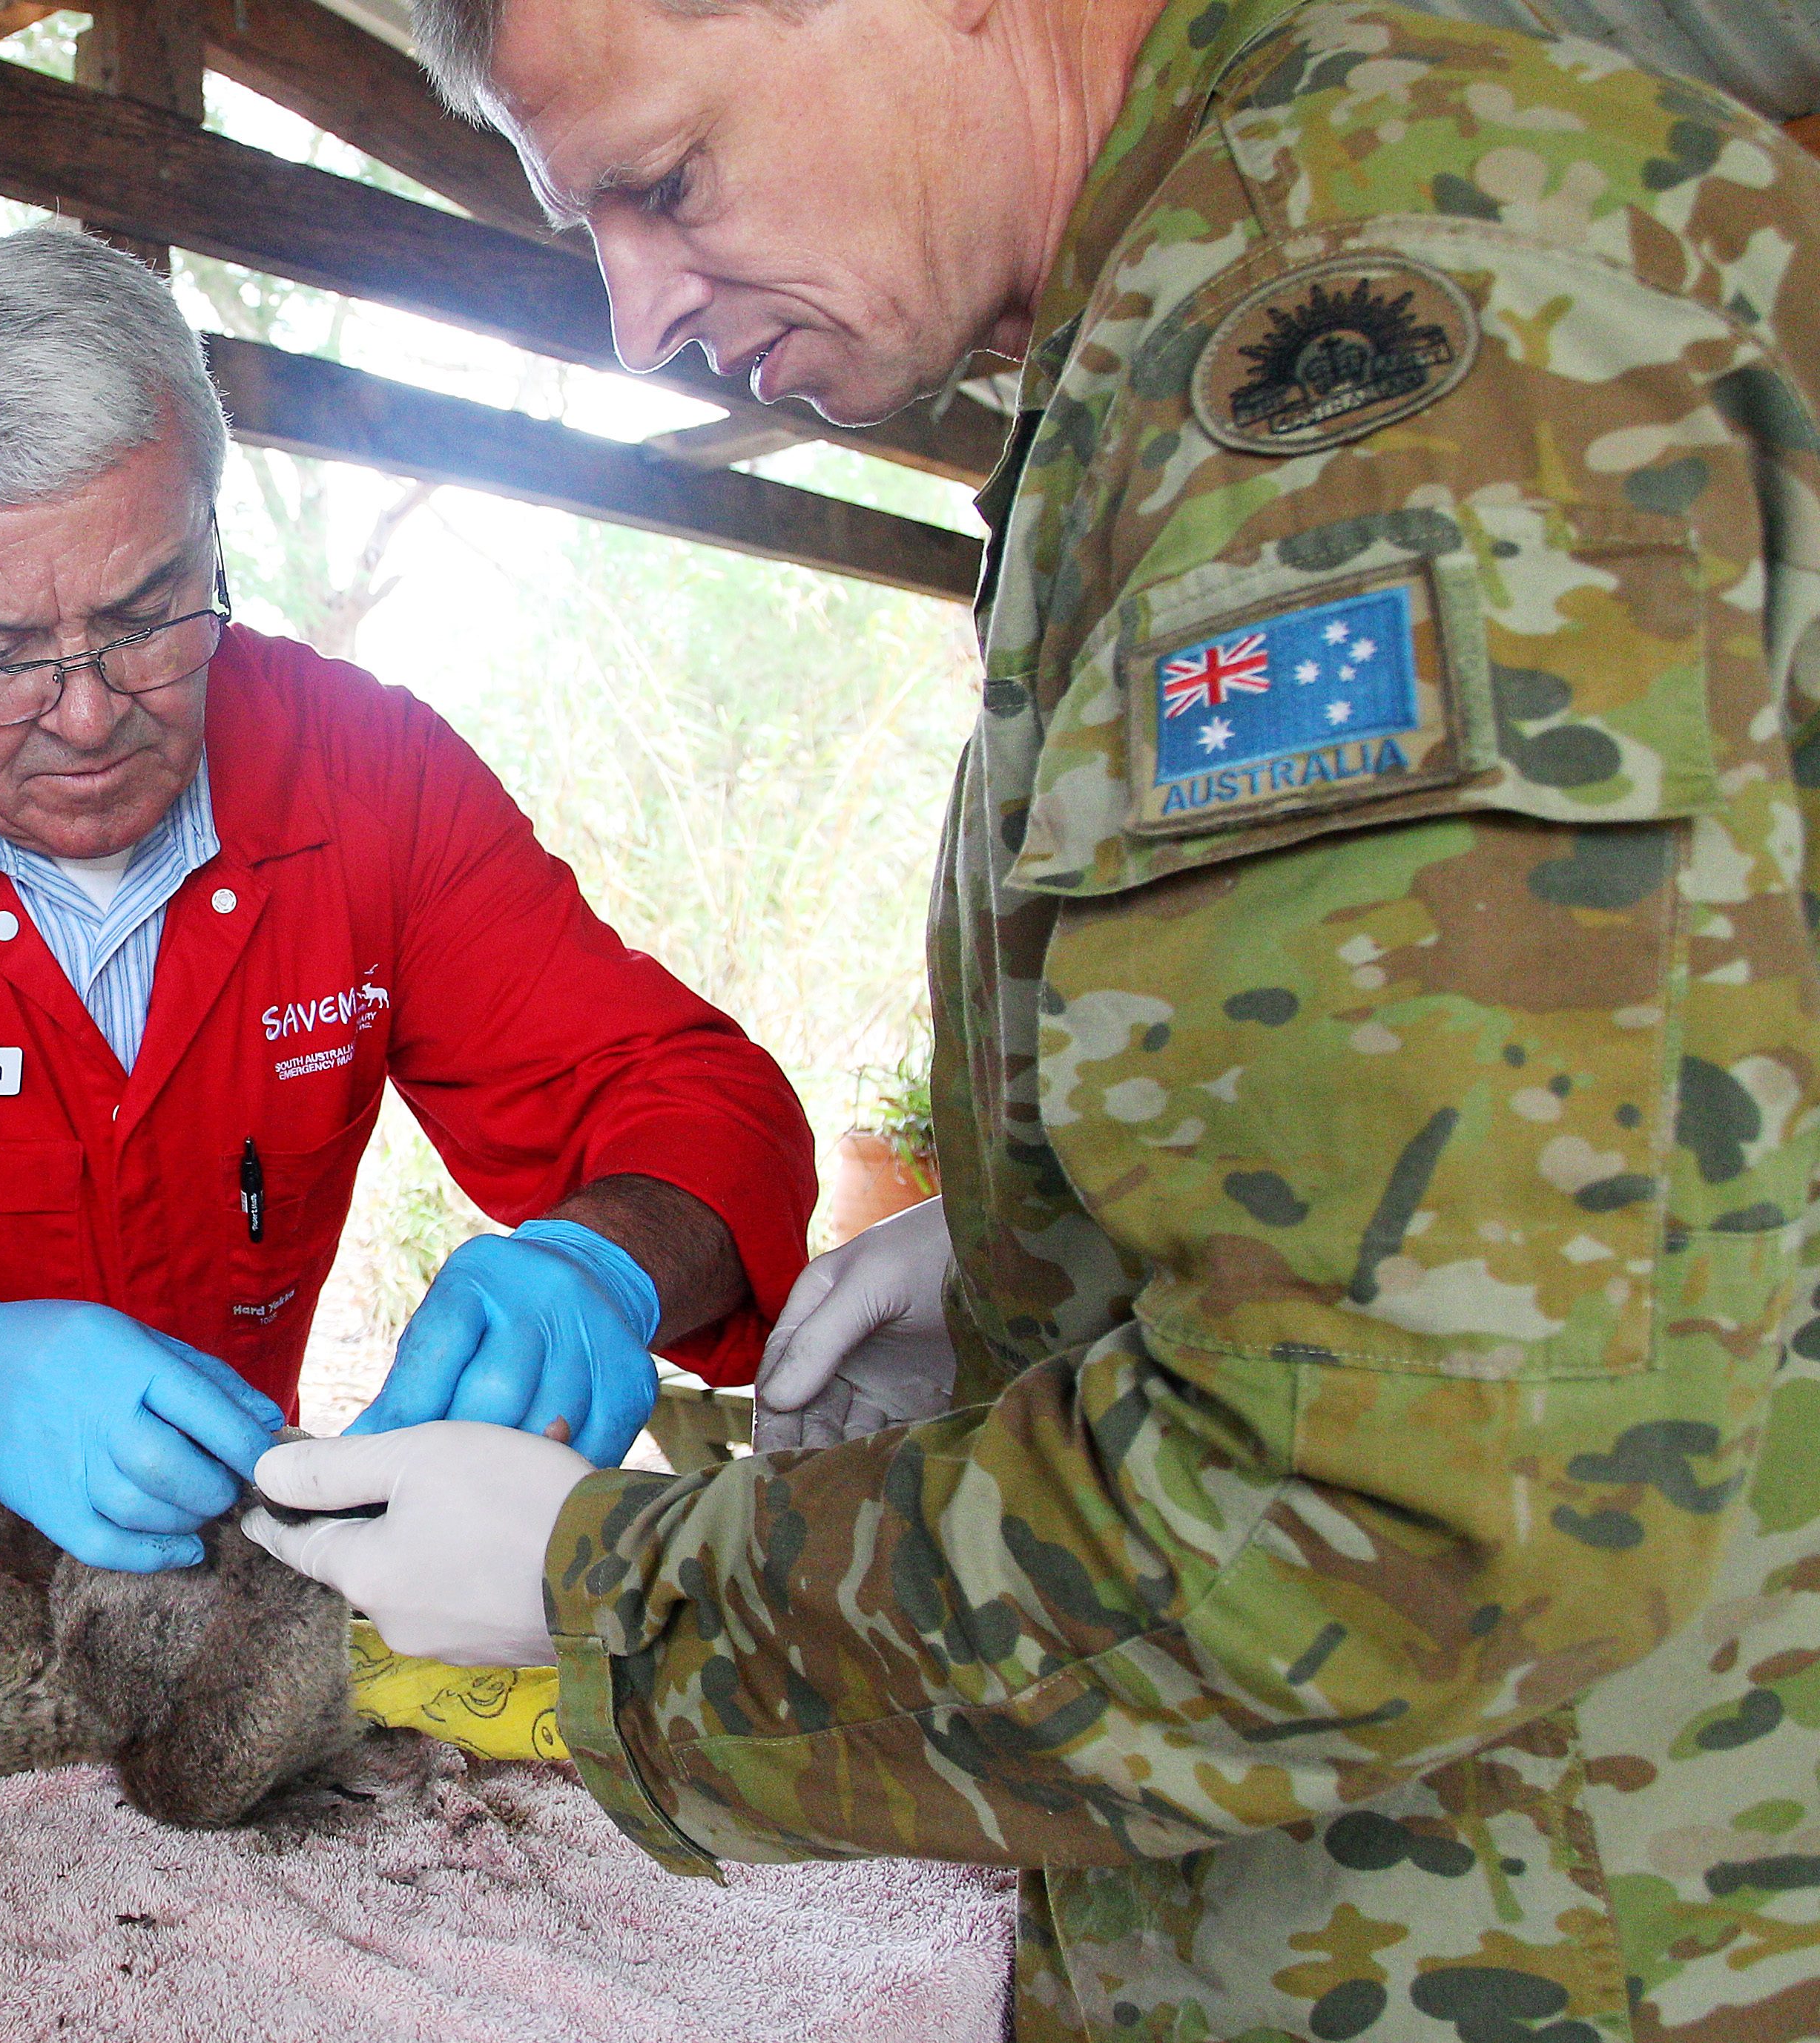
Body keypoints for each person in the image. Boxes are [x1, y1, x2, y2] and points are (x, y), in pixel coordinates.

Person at [246, 0, 1820, 2032]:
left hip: (1550, 1939)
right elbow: (1606, 1133)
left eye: (662, 182)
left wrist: (609, 1596)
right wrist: (1034, 1262)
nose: (636, 321)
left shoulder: (1337, 349)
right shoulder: (1184, 303)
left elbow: (1383, 1509)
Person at [0, 226, 812, 1572]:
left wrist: (601, 1263)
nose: (84, 713)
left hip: (201, 1624)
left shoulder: (366, 772)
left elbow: (710, 1106)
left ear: (211, 524)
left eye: (148, 611)